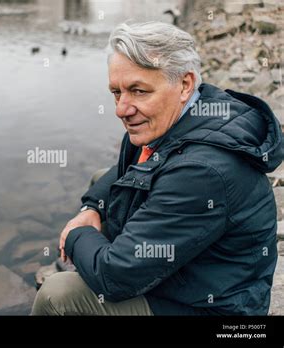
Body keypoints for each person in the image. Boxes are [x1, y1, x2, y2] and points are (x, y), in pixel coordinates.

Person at [31, 21, 282, 316]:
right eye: (116, 92)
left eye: (138, 91)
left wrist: (75, 235)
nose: (121, 109)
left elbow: (114, 277)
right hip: (193, 276)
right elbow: (120, 171)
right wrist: (91, 208)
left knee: (57, 296)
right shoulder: (185, 115)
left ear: (185, 85)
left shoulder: (201, 172)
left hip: (213, 308)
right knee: (101, 180)